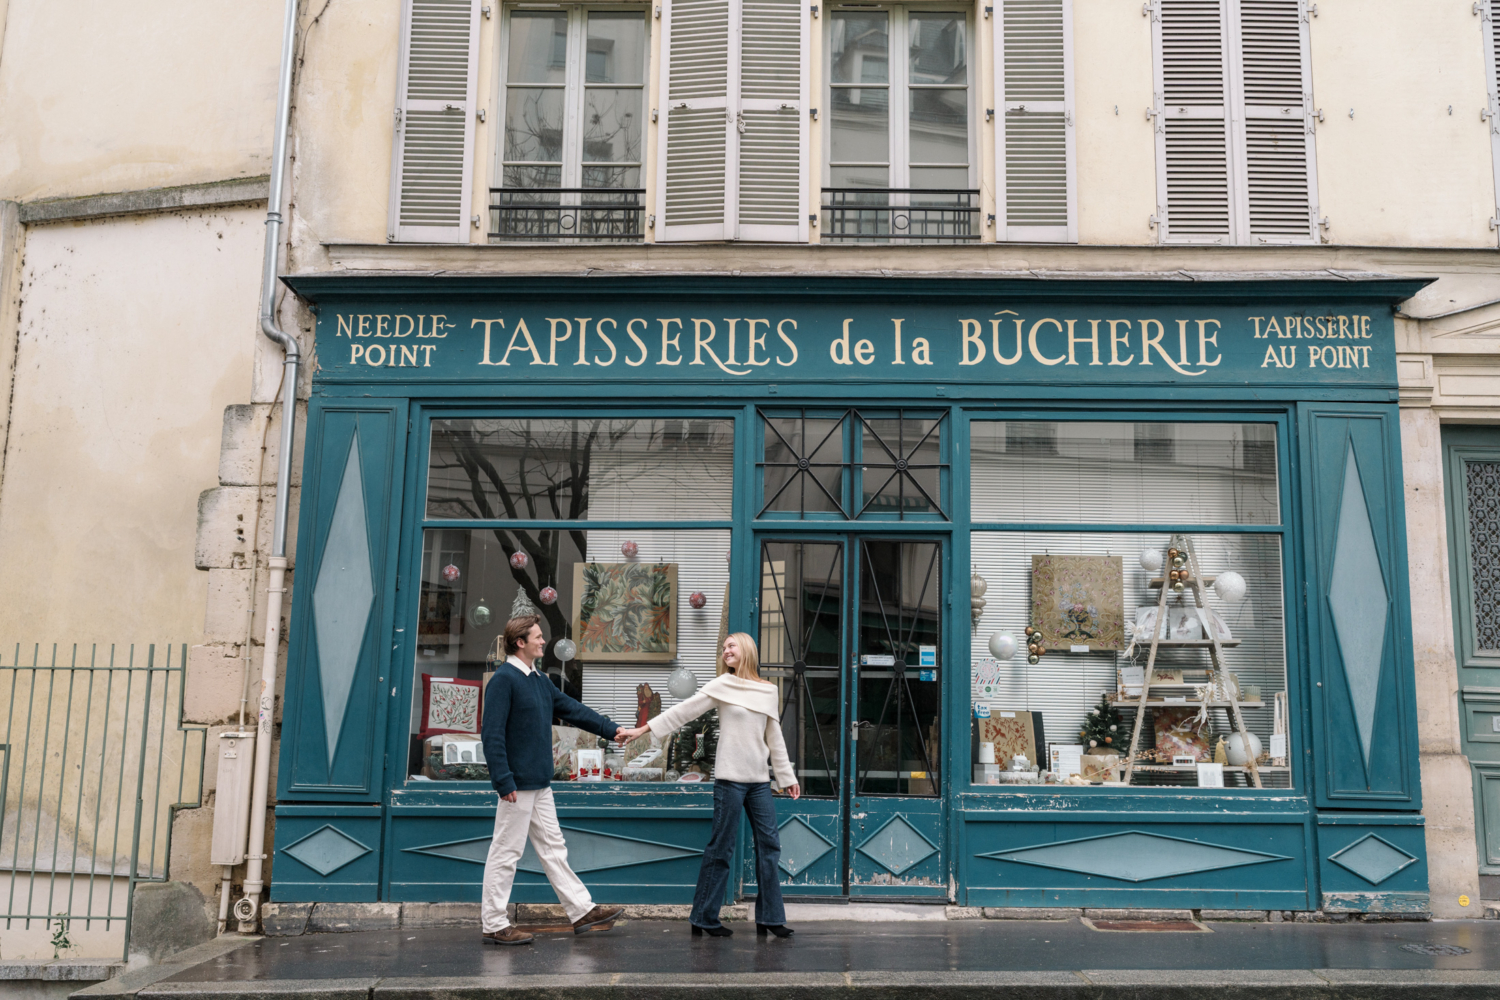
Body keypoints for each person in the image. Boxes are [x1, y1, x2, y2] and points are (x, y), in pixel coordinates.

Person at [615, 633, 800, 939]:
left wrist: (786, 777)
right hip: (729, 780)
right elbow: (683, 711)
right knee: (721, 848)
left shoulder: (768, 690)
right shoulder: (722, 685)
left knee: (770, 847)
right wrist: (643, 730)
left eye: (731, 646)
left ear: (747, 650)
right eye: (724, 647)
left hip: (759, 782)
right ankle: (703, 916)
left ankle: (770, 917)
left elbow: (774, 736)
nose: (726, 650)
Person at [479, 614, 625, 945]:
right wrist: (503, 781)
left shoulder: (539, 679)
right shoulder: (504, 680)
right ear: (520, 642)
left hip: (539, 784)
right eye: (538, 636)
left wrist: (612, 730)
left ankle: (581, 911)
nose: (543, 641)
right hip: (517, 785)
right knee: (506, 852)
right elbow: (492, 735)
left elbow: (573, 710)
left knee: (553, 849)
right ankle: (493, 922)